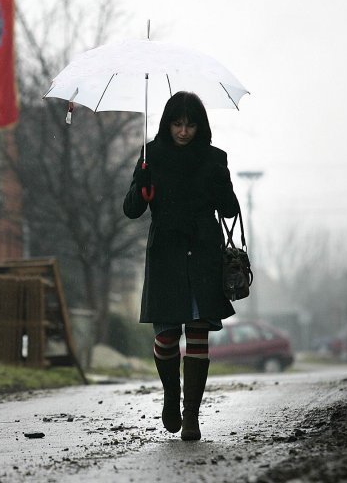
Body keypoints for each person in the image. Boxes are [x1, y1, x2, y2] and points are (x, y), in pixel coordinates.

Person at [123, 91, 239, 441]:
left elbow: (230, 209)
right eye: (177, 123)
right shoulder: (151, 156)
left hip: (204, 251)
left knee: (199, 332)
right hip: (166, 254)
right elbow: (131, 210)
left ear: (200, 125)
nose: (184, 131)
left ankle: (192, 416)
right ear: (167, 124)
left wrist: (222, 184)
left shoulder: (215, 158)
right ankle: (171, 397)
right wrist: (142, 185)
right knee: (167, 335)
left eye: (190, 124)